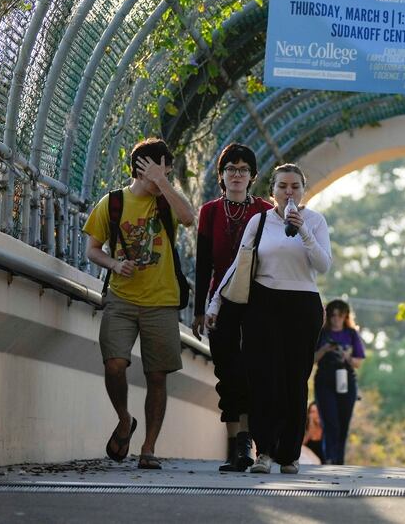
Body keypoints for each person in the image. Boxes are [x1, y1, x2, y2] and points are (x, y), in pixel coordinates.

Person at [206, 163, 330, 475]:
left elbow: (323, 264)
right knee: (263, 378)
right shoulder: (259, 221)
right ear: (271, 191)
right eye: (282, 186)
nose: (289, 192)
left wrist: (301, 229)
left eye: (295, 187)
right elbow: (239, 263)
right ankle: (263, 452)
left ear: (303, 190)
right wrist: (216, 302)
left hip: (303, 304)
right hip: (264, 303)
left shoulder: (315, 221)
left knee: (294, 380)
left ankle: (289, 455)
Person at [83, 137, 197, 470]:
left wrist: (163, 184)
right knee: (114, 364)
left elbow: (189, 218)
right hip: (122, 298)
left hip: (162, 301)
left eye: (167, 171)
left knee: (157, 375)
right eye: (160, 170)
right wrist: (115, 265)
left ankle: (148, 447)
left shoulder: (167, 202)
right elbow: (92, 249)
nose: (165, 177)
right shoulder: (113, 203)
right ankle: (123, 419)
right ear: (141, 169)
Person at [192, 142, 272, 472]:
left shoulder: (267, 211)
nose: (236, 175)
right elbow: (202, 264)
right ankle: (234, 444)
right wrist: (198, 309)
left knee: (252, 370)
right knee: (227, 370)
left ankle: (247, 445)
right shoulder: (210, 211)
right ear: (221, 176)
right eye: (230, 169)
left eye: (243, 169)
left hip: (257, 303)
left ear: (252, 176)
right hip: (221, 303)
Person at [312, 298, 366, 464]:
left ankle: (339, 461)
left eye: (340, 315)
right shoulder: (321, 333)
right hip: (325, 379)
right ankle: (329, 457)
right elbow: (312, 359)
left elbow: (358, 361)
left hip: (346, 379)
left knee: (343, 422)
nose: (336, 318)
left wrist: (346, 356)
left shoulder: (351, 334)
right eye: (332, 315)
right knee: (330, 421)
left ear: (346, 316)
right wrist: (325, 349)